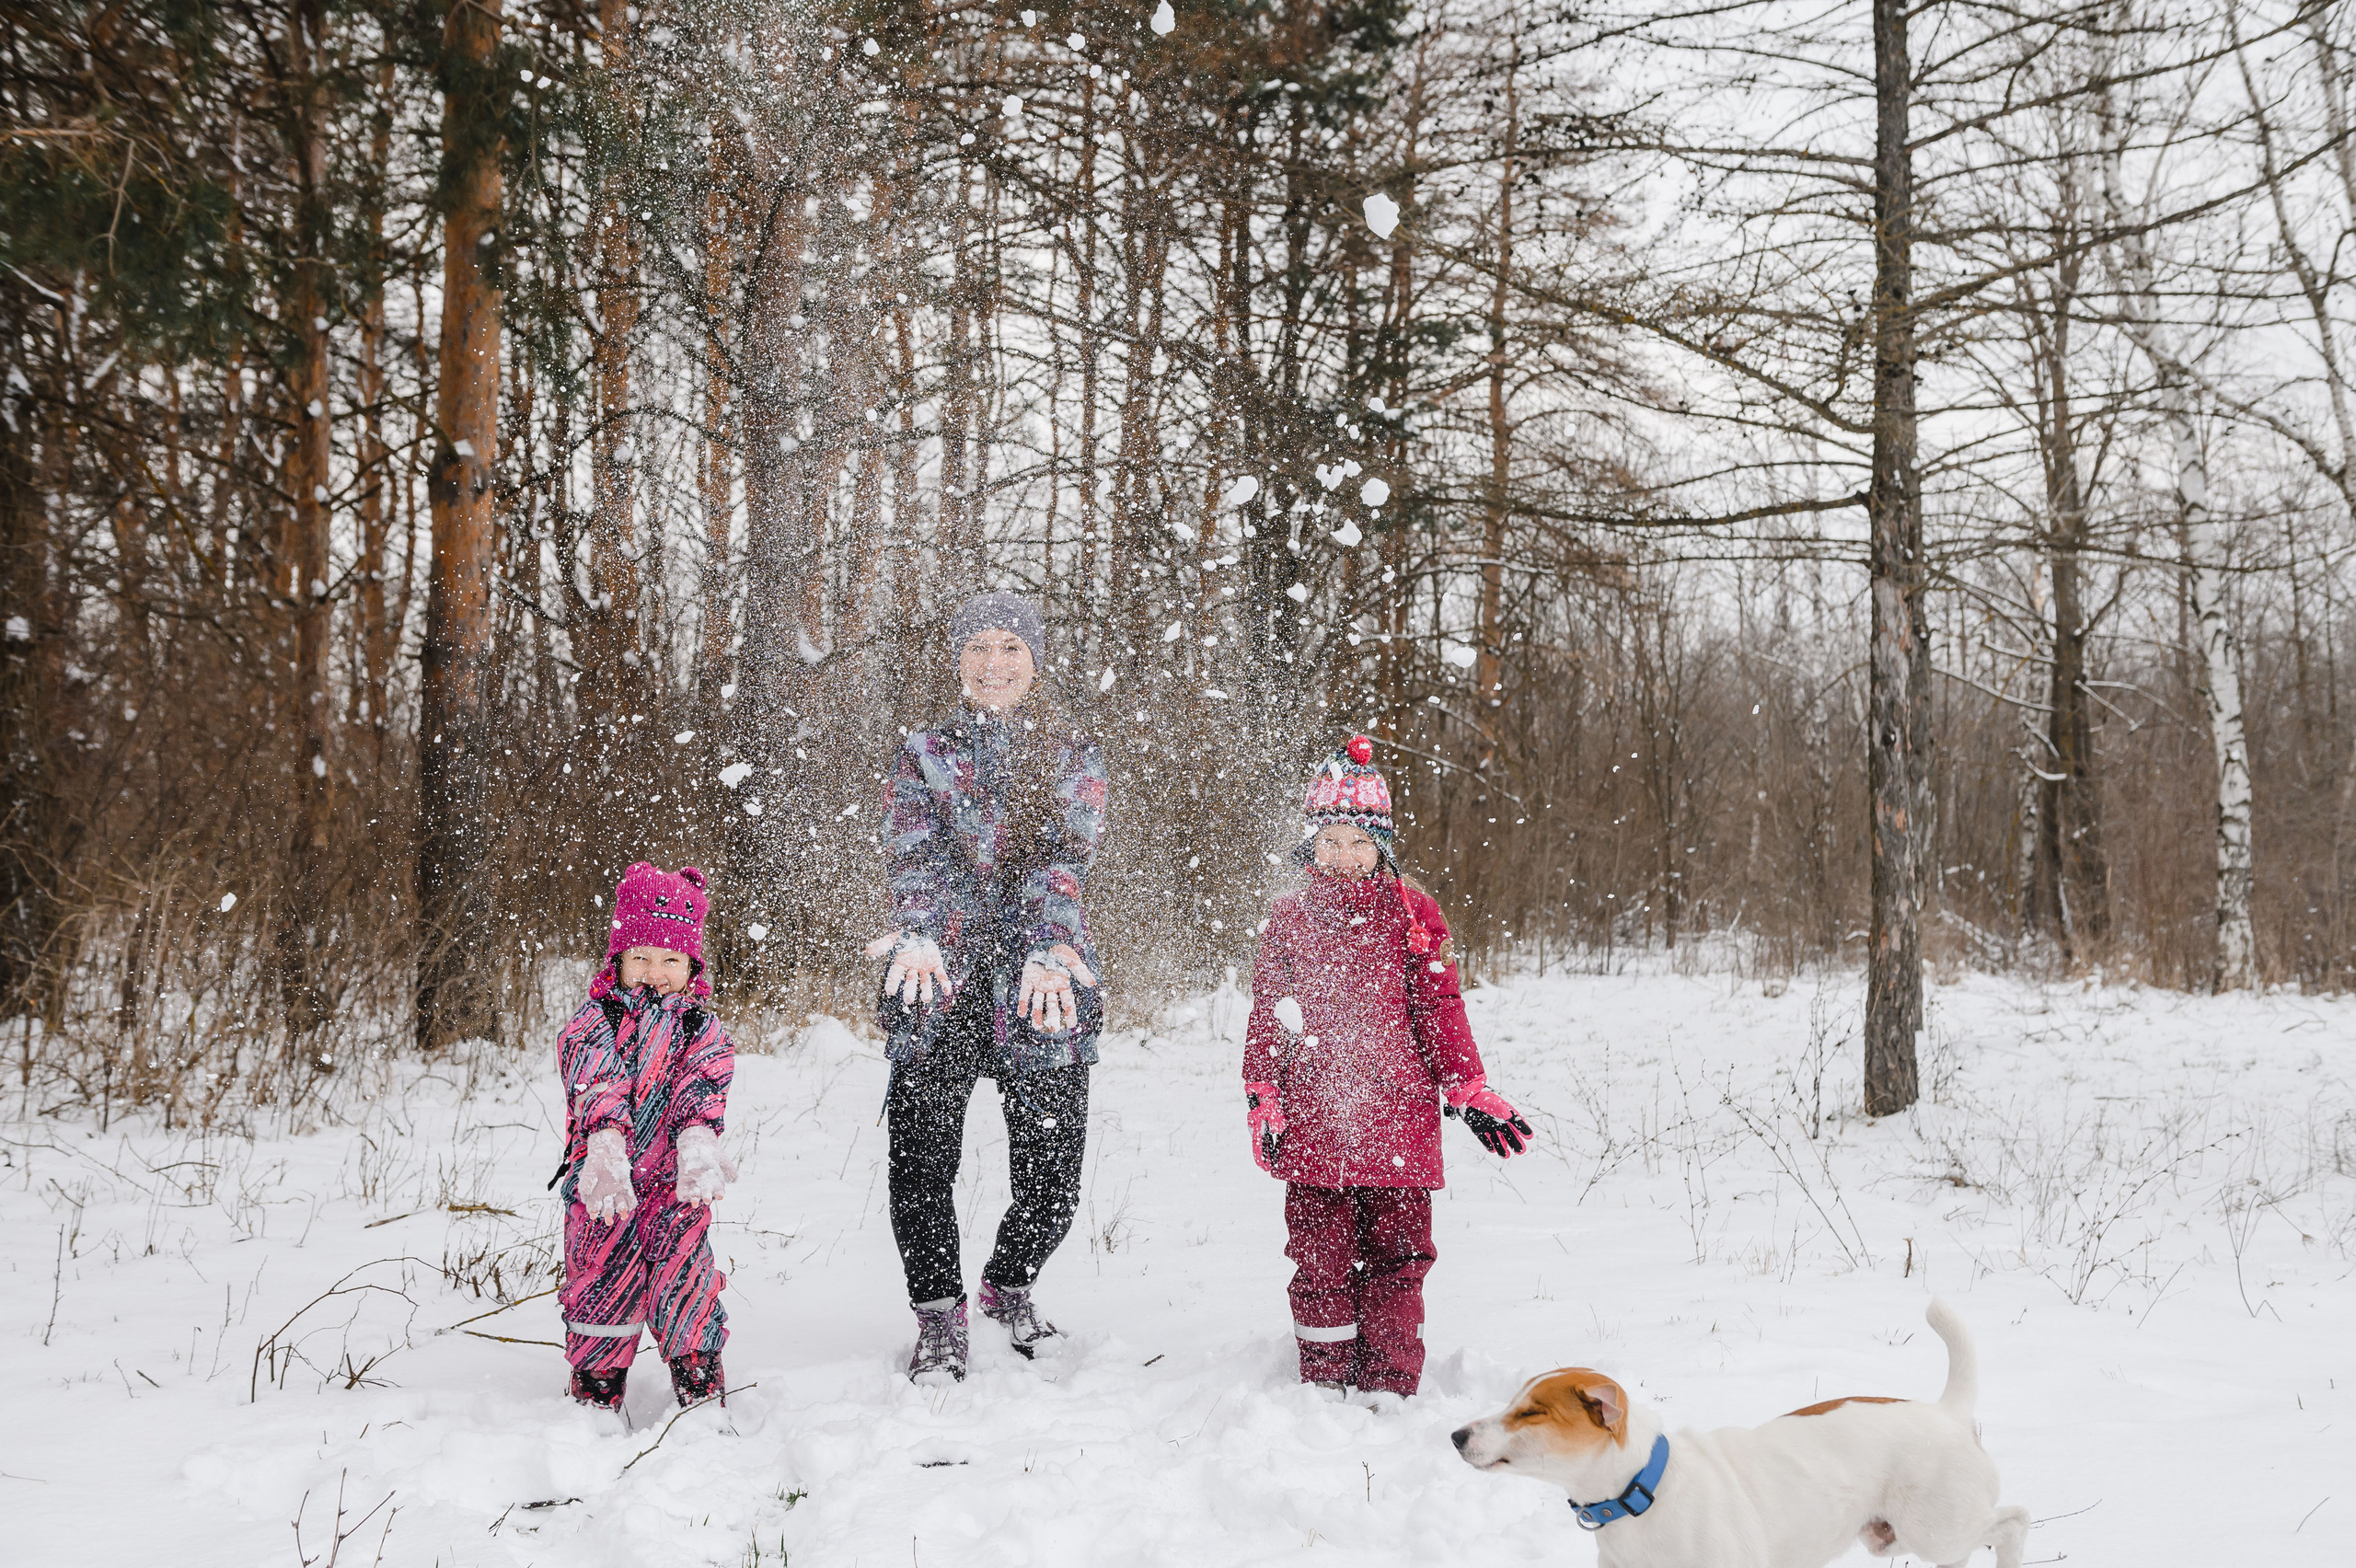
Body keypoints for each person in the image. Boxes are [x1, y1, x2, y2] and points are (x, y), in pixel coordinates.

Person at [1241, 735, 1535, 1401]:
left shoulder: (1415, 916)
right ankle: (1323, 1381)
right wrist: (1263, 1093)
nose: (1344, 856)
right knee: (1318, 1258)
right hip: (1316, 1122)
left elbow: (1440, 1006)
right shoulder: (1288, 919)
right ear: (1311, 845)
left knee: (1399, 1260)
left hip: (1398, 1122)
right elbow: (1269, 1013)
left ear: (1382, 846)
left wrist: (1466, 1086)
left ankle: (1389, 1384)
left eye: (1359, 842)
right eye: (1330, 841)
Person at [867, 590, 1110, 1383]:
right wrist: (925, 929)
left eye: (1011, 648)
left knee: (1054, 1176)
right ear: (957, 659)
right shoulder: (922, 753)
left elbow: (1063, 861)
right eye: (979, 647)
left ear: (1035, 662)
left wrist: (1046, 944)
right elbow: (914, 857)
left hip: (1043, 980)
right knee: (921, 1161)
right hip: (941, 974)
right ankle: (939, 1315)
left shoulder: (1072, 753)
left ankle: (1009, 1285)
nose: (994, 663)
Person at [553, 861, 738, 1412]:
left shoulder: (700, 1028)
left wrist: (697, 1139)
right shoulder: (595, 1020)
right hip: (605, 1186)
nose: (655, 973)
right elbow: (595, 1079)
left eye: (670, 960)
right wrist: (606, 1143)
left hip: (672, 1189)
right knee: (602, 1279)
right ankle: (598, 1384)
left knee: (686, 1275)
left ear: (691, 966)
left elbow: (703, 1082)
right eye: (641, 958)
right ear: (618, 959)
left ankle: (697, 1373)